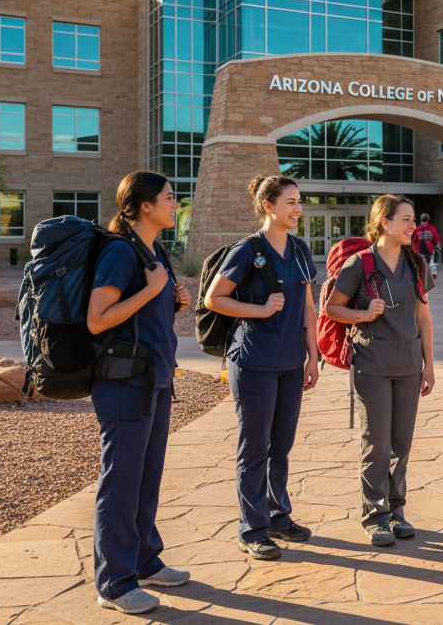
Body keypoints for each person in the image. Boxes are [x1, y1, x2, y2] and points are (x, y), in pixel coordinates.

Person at [85, 170, 193, 614]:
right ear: (144, 206)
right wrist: (152, 291)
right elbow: (97, 319)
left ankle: (145, 561)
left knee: (146, 480)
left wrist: (172, 299)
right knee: (122, 481)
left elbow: (147, 311)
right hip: (124, 382)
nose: (175, 204)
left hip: (155, 378)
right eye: (169, 198)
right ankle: (114, 583)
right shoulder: (119, 252)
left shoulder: (155, 250)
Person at [203, 175, 320, 562]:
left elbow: (306, 306)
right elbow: (213, 298)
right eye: (290, 202)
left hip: (290, 362)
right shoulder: (246, 251)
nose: (297, 209)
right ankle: (251, 528)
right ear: (268, 206)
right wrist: (259, 309)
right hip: (253, 361)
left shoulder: (300, 250)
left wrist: (313, 356)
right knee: (255, 447)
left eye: (299, 202)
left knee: (281, 446)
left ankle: (277, 516)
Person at [324, 194, 436, 546]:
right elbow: (331, 309)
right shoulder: (359, 264)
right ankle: (376, 515)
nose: (412, 225)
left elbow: (424, 316)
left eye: (413, 219)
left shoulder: (416, 263)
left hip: (408, 365)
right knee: (377, 442)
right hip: (371, 365)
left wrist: (429, 364)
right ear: (384, 223)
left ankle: (397, 510)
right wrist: (361, 314)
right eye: (405, 219)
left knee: (401, 443)